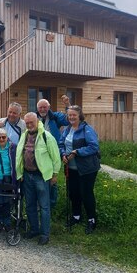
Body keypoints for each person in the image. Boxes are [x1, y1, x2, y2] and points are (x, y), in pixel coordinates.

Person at [15, 112, 61, 245]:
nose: (29, 125)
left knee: (44, 206)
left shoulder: (47, 136)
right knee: (29, 205)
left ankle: (45, 234)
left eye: (31, 123)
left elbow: (56, 157)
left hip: (42, 176)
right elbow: (19, 156)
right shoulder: (24, 136)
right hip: (27, 175)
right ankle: (34, 229)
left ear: (37, 121)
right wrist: (20, 174)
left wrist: (55, 174)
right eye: (27, 123)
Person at [58, 105, 101, 234]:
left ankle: (91, 220)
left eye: (74, 115)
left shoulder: (87, 130)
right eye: (69, 115)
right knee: (73, 193)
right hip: (71, 168)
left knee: (86, 194)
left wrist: (77, 152)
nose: (71, 117)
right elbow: (60, 143)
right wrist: (63, 154)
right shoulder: (67, 129)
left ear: (79, 116)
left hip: (87, 168)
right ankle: (76, 216)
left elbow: (94, 146)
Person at [36, 98, 69, 209]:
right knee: (39, 177)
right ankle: (39, 203)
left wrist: (67, 106)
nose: (42, 109)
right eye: (40, 107)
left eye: (45, 107)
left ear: (49, 107)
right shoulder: (35, 118)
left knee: (52, 179)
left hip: (53, 151)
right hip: (39, 153)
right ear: (37, 108)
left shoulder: (55, 116)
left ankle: (51, 204)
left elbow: (68, 120)